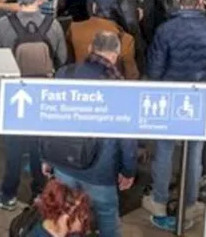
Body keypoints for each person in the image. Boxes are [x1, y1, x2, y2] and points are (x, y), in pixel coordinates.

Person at [141, 0, 206, 229]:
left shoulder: (165, 30)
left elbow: (153, 70)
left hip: (169, 97)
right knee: (195, 152)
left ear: (178, 2)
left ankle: (160, 200)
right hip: (203, 99)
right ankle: (190, 202)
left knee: (164, 150)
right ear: (199, 2)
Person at [45, 31, 137, 237]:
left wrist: (47, 158)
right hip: (100, 170)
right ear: (116, 54)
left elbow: (49, 119)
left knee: (64, 218)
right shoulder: (120, 86)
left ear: (89, 49)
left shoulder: (64, 74)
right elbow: (126, 136)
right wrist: (128, 170)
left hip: (63, 162)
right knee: (107, 218)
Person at [0, 0, 68, 208]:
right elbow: (62, 59)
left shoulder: (4, 24)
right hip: (42, 94)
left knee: (13, 148)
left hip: (13, 94)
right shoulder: (52, 25)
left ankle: (7, 194)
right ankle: (39, 192)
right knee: (39, 146)